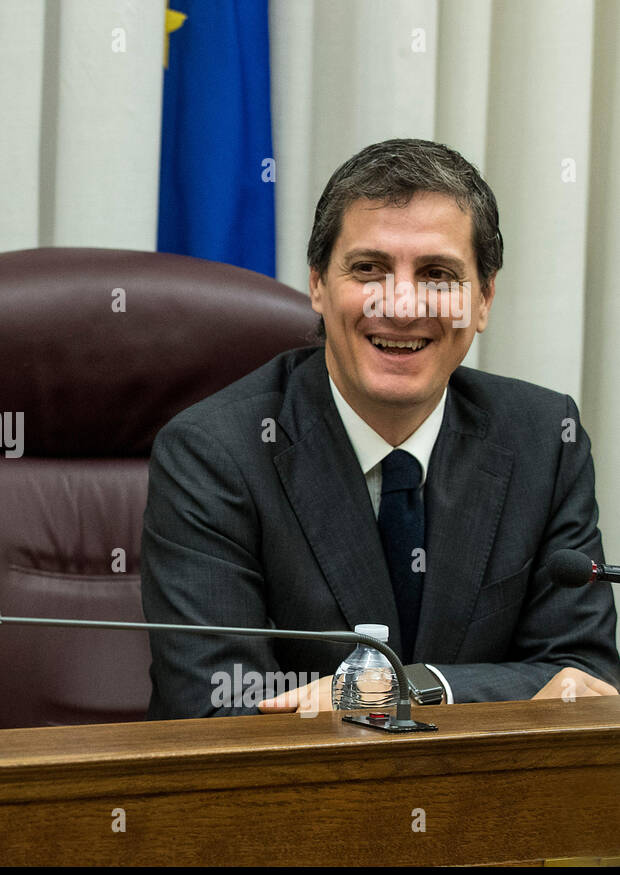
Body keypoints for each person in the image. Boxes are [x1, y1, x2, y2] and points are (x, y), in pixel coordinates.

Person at [143, 138, 620, 718]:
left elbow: (584, 683)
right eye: (368, 269)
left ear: (484, 299)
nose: (399, 304)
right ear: (317, 284)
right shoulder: (214, 453)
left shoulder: (545, 439)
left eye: (437, 273)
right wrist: (496, 689)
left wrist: (413, 688)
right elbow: (217, 708)